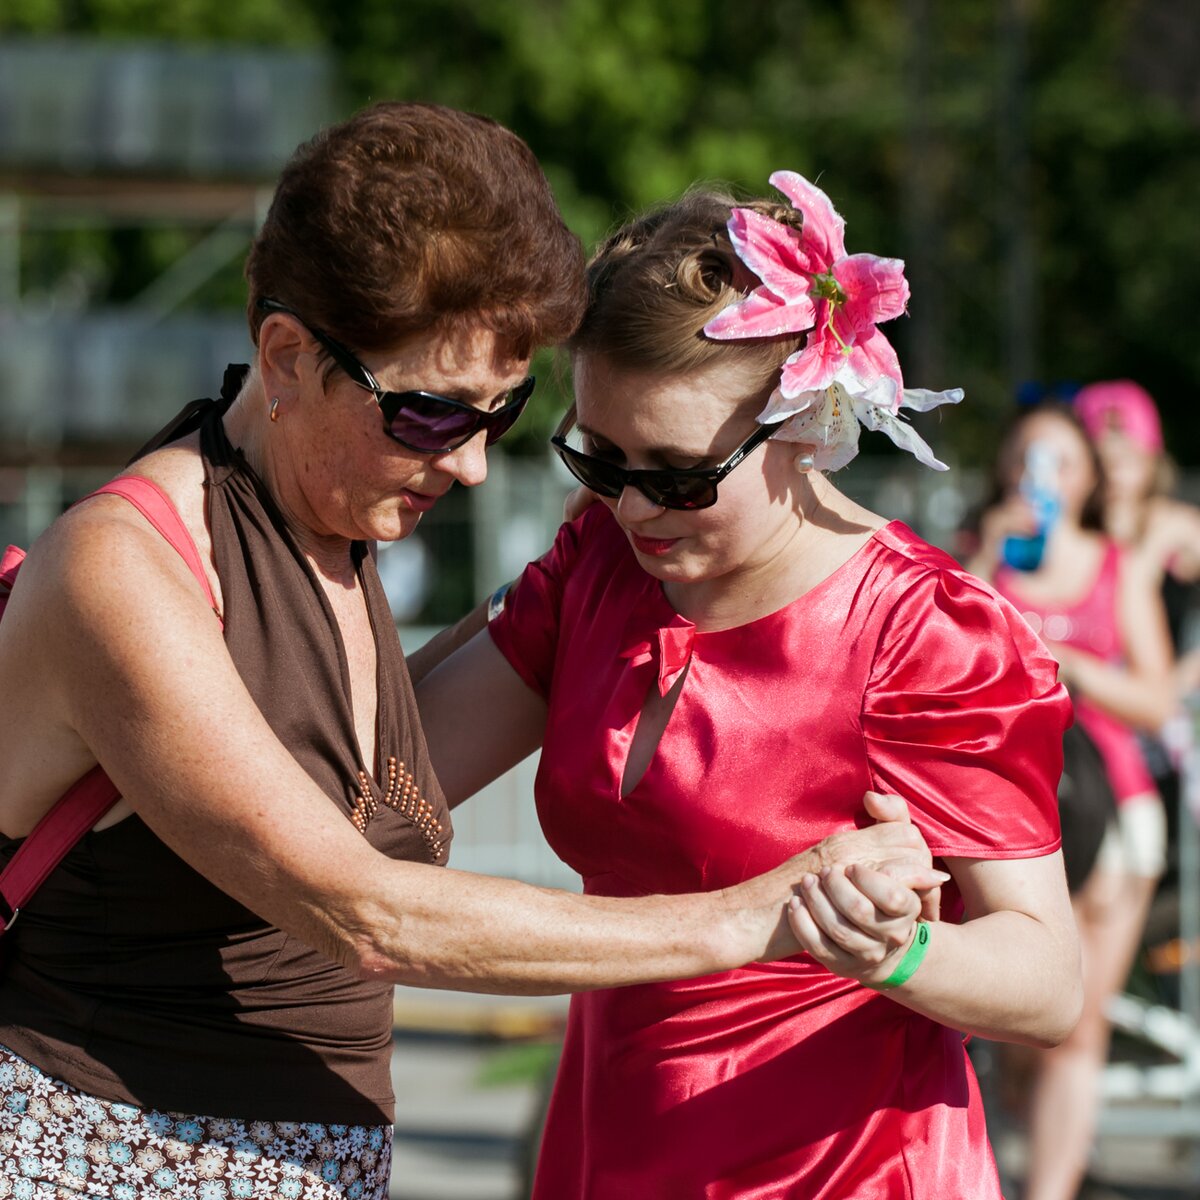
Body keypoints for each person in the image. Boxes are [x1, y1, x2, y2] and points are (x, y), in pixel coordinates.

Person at [0, 106, 944, 1200]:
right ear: (288, 355)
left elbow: (448, 734)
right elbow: (369, 911)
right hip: (99, 1157)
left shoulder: (334, 527)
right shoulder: (124, 569)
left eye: (506, 414)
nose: (476, 468)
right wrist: (773, 910)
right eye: (434, 418)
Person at [412, 173, 1082, 1198]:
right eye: (599, 459)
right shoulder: (602, 562)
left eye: (679, 475)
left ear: (806, 423)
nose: (637, 508)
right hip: (612, 1147)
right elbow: (386, 782)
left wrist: (892, 953)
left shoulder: (921, 633)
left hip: (840, 1169)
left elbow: (1048, 985)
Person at [966, 399, 1175, 1200]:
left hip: (1112, 811)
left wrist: (1066, 662)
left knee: (1075, 1020)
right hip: (1007, 811)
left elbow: (1155, 701)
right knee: (1019, 1023)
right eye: (1025, 458)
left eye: (1059, 462)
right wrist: (987, 554)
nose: (1038, 476)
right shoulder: (981, 561)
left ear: (1088, 478)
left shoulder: (1115, 566)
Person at [1075, 378, 1200, 704]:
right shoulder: (1070, 535)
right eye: (1101, 461)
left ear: (1151, 460)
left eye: (1127, 458)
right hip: (1097, 709)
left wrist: (1186, 674)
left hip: (1169, 710)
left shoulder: (1178, 527)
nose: (1114, 474)